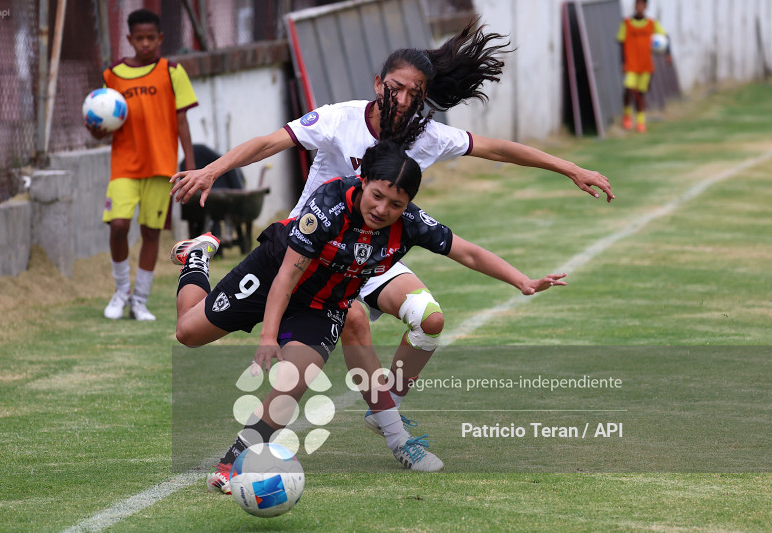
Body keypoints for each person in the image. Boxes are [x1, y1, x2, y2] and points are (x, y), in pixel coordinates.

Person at [169, 17, 612, 464]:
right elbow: (269, 142)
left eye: (414, 94)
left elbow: (498, 149)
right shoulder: (340, 119)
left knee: (428, 319)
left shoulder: (429, 138)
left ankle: (389, 421)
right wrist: (212, 170)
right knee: (198, 332)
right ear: (378, 83)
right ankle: (196, 260)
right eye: (395, 89)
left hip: (372, 252)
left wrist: (570, 168)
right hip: (310, 247)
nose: (402, 100)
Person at [88, 8, 198, 321]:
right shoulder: (113, 75)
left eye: (151, 37)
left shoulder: (172, 71)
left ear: (160, 38)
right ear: (129, 39)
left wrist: (191, 167)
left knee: (151, 232)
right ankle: (122, 290)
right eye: (140, 38)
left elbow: (182, 121)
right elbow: (102, 120)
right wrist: (95, 129)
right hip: (124, 165)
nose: (146, 43)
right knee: (118, 226)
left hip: (161, 166)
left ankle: (140, 301)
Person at [617, 0, 672, 133]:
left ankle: (640, 122)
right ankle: (627, 116)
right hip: (631, 65)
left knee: (641, 94)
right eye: (638, 4)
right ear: (635, 6)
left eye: (642, 5)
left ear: (646, 7)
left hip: (646, 65)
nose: (640, 7)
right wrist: (623, 62)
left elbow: (665, 37)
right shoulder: (626, 23)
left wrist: (667, 54)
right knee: (628, 89)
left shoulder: (652, 24)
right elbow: (621, 43)